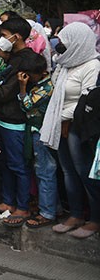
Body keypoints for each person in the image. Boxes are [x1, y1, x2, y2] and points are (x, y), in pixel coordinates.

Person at [40, 22, 100, 238]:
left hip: (79, 126)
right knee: (67, 170)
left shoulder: (93, 65)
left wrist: (65, 120)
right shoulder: (64, 63)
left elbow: (87, 100)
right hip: (60, 123)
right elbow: (56, 94)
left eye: (65, 42)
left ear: (78, 42)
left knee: (84, 172)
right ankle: (75, 214)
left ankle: (95, 219)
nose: (60, 46)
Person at [0, 17, 38, 226]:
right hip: (2, 118)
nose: (1, 40)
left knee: (18, 166)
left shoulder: (26, 60)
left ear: (16, 37)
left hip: (16, 121)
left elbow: (3, 93)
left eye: (4, 36)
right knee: (5, 163)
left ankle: (23, 207)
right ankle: (8, 201)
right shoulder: (11, 58)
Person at [17, 54, 58, 229]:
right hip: (36, 131)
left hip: (41, 133)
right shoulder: (40, 84)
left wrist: (22, 88)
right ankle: (53, 207)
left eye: (30, 74)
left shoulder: (46, 88)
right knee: (42, 170)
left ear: (40, 72)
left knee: (45, 172)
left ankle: (47, 212)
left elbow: (27, 105)